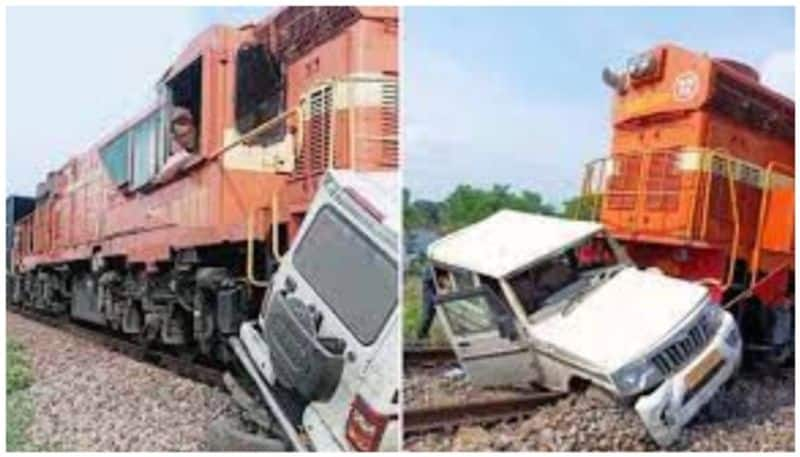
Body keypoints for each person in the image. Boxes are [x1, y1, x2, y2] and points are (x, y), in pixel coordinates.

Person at [416, 265, 451, 340]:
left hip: (437, 285)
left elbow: (446, 281)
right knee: (428, 314)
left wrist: (445, 288)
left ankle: (423, 334)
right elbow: (436, 286)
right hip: (430, 289)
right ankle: (421, 335)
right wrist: (441, 291)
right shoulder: (429, 271)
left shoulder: (445, 268)